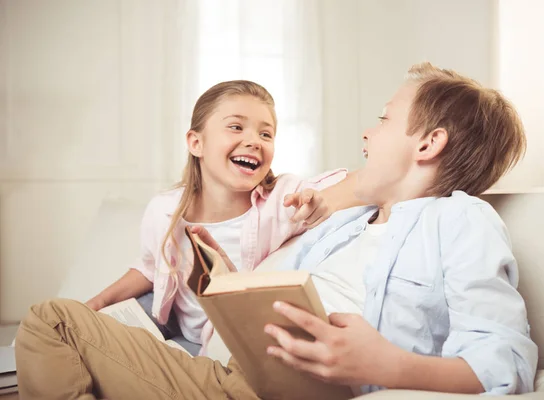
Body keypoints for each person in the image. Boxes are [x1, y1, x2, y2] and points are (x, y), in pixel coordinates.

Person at [15, 62, 537, 399]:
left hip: (278, 390)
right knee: (52, 321)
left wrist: (390, 366)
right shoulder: (348, 224)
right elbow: (345, 192)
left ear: (428, 144)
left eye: (383, 119)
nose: (365, 131)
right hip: (229, 374)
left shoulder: (460, 219)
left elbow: (505, 360)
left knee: (47, 325)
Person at [81, 79, 360, 355]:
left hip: (218, 341)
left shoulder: (283, 199)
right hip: (169, 319)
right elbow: (150, 268)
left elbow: (358, 184)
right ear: (196, 143)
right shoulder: (163, 209)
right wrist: (99, 301)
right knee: (68, 327)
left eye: (266, 134)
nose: (254, 141)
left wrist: (322, 199)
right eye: (236, 127)